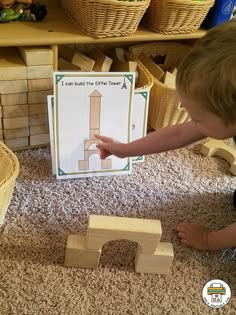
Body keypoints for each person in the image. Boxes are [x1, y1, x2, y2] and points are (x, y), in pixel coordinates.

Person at [95, 20, 236, 252]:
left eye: (197, 117)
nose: (182, 108)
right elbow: (180, 132)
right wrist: (126, 149)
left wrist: (210, 240)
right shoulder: (226, 115)